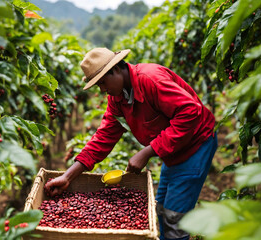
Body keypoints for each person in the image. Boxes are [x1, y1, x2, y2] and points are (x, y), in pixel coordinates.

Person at [46, 47, 217, 240]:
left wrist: (147, 152)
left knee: (174, 218)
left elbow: (190, 113)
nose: (102, 89)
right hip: (173, 151)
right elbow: (104, 137)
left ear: (116, 69)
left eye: (103, 82)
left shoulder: (151, 79)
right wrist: (68, 177)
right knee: (160, 209)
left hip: (196, 145)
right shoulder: (117, 98)